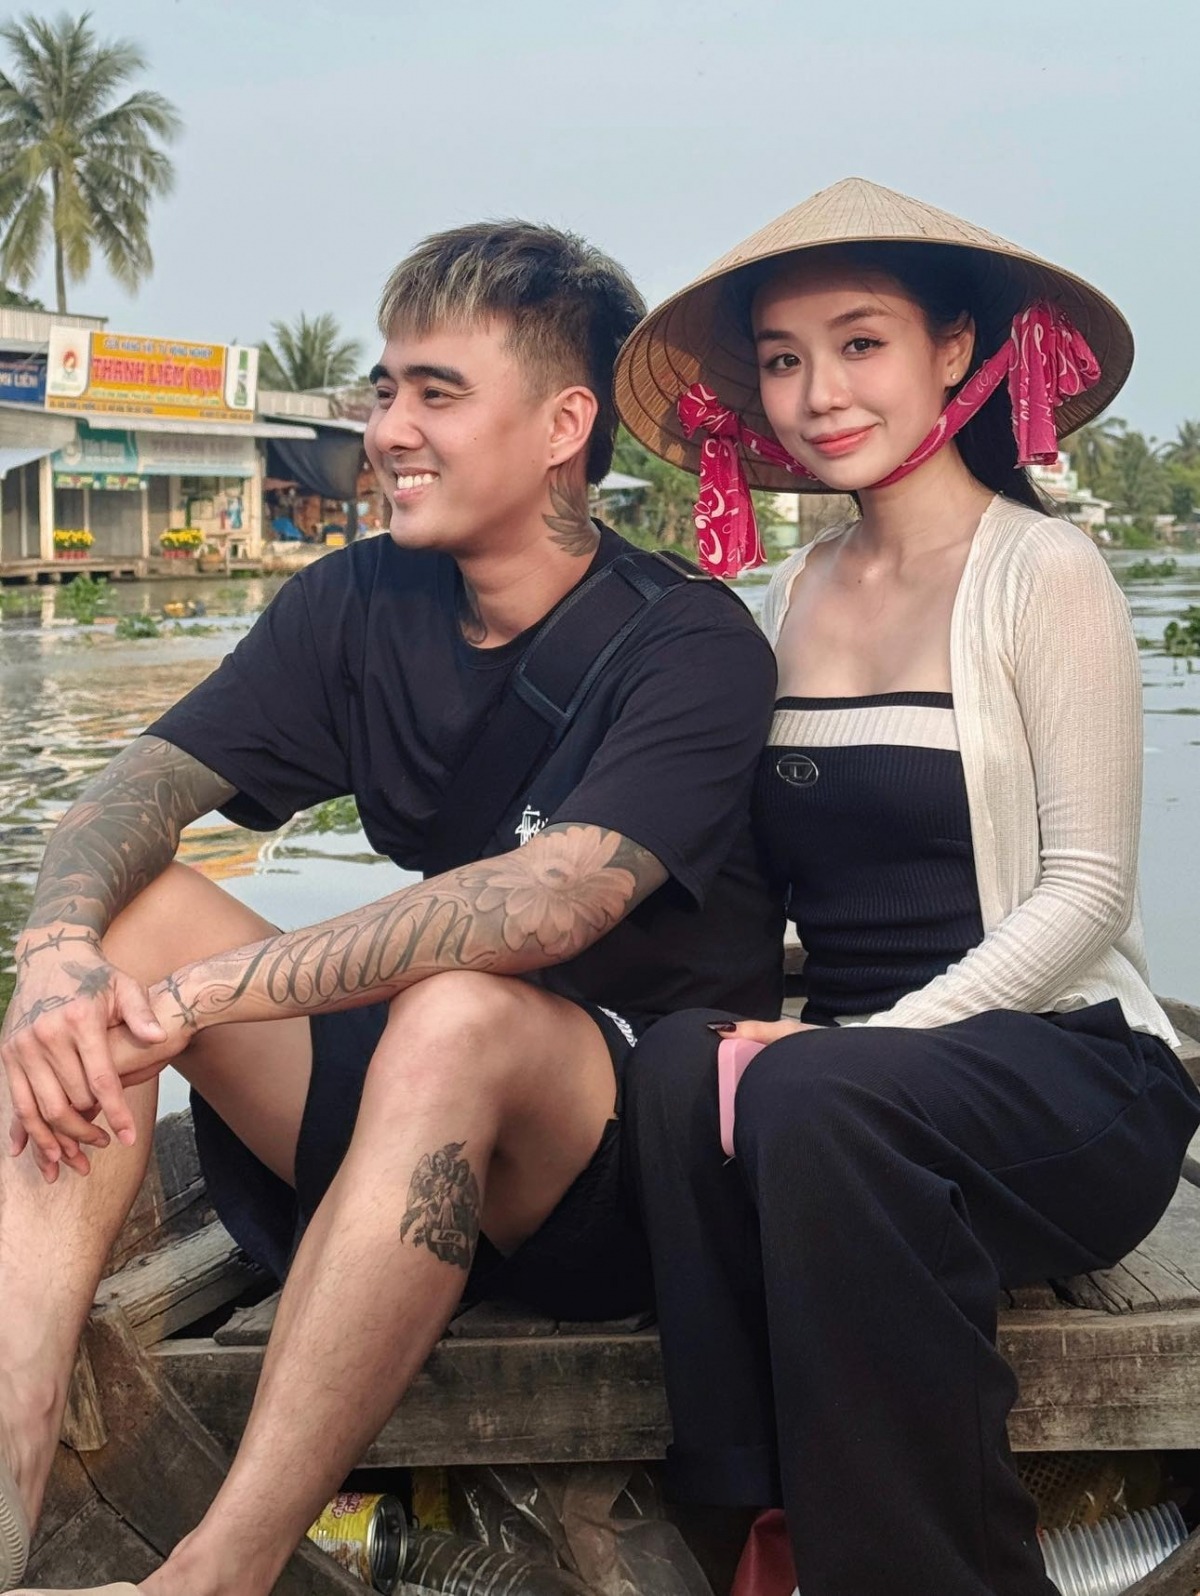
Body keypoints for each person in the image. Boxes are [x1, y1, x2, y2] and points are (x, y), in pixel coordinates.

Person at [0, 222, 784, 1596]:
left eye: (437, 392)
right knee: (135, 917)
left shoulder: (691, 643)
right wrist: (57, 949)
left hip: (628, 1176)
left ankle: (216, 1574)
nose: (388, 430)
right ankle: (9, 1464)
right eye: (384, 389)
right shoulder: (360, 600)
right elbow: (139, 787)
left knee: (460, 1007)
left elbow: (542, 907)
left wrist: (198, 1002)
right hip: (414, 1124)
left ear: (564, 426)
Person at [613, 177, 1200, 1596]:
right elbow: (755, 896)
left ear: (955, 350)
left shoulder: (1044, 572)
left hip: (1064, 1072)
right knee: (678, 1067)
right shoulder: (794, 593)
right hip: (857, 1101)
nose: (818, 393)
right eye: (783, 358)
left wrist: (858, 1047)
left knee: (810, 1096)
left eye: (861, 343)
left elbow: (1085, 897)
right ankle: (754, 1529)